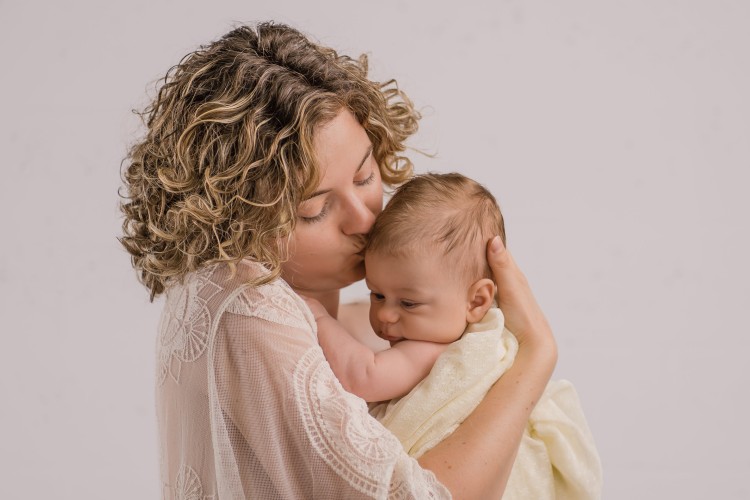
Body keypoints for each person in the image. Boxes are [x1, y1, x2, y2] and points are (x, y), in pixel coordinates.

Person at [120, 22, 558, 499]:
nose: (362, 217)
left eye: (365, 174)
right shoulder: (249, 306)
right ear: (238, 221)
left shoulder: (354, 321)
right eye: (315, 209)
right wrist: (535, 357)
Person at [307, 172, 603, 499]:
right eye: (376, 295)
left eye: (408, 302)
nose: (385, 315)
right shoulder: (438, 329)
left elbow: (363, 376)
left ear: (476, 301)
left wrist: (317, 317)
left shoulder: (440, 351)